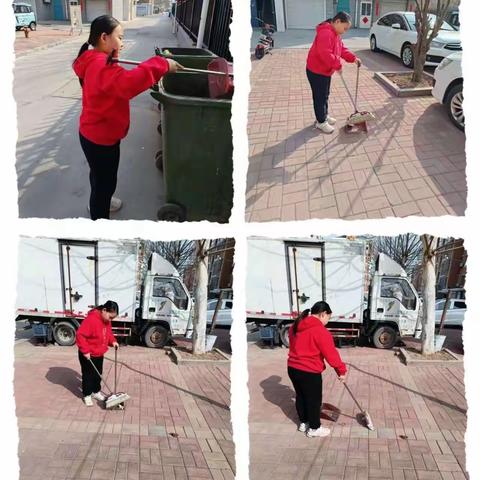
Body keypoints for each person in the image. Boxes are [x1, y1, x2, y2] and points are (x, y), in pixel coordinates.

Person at [73, 15, 182, 220]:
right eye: (120, 37)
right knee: (105, 181)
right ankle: (99, 216)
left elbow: (115, 84)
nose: (122, 43)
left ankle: (100, 200)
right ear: (104, 37)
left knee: (100, 176)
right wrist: (163, 65)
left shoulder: (95, 58)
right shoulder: (99, 65)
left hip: (95, 133)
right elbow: (128, 83)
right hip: (99, 138)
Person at [287, 301, 347, 438]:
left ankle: (304, 422)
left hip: (292, 368)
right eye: (328, 318)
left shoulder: (295, 326)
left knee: (301, 396)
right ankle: (314, 428)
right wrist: (341, 371)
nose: (327, 321)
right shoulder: (320, 331)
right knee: (314, 400)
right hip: (309, 371)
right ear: (323, 314)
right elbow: (331, 354)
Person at [306, 12, 362, 134]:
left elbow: (341, 49)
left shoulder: (335, 34)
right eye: (345, 28)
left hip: (325, 71)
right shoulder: (325, 33)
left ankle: (324, 116)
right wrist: (337, 65)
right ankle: (320, 122)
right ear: (337, 22)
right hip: (316, 71)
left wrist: (353, 58)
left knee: (325, 94)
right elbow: (325, 53)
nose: (345, 31)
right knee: (320, 96)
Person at [76, 301, 120, 406]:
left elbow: (108, 333)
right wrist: (85, 351)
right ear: (104, 310)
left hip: (99, 353)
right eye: (110, 317)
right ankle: (87, 395)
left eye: (112, 318)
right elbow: (80, 335)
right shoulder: (91, 320)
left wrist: (113, 341)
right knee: (88, 375)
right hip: (88, 354)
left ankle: (95, 392)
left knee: (98, 374)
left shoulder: (106, 321)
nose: (110, 320)